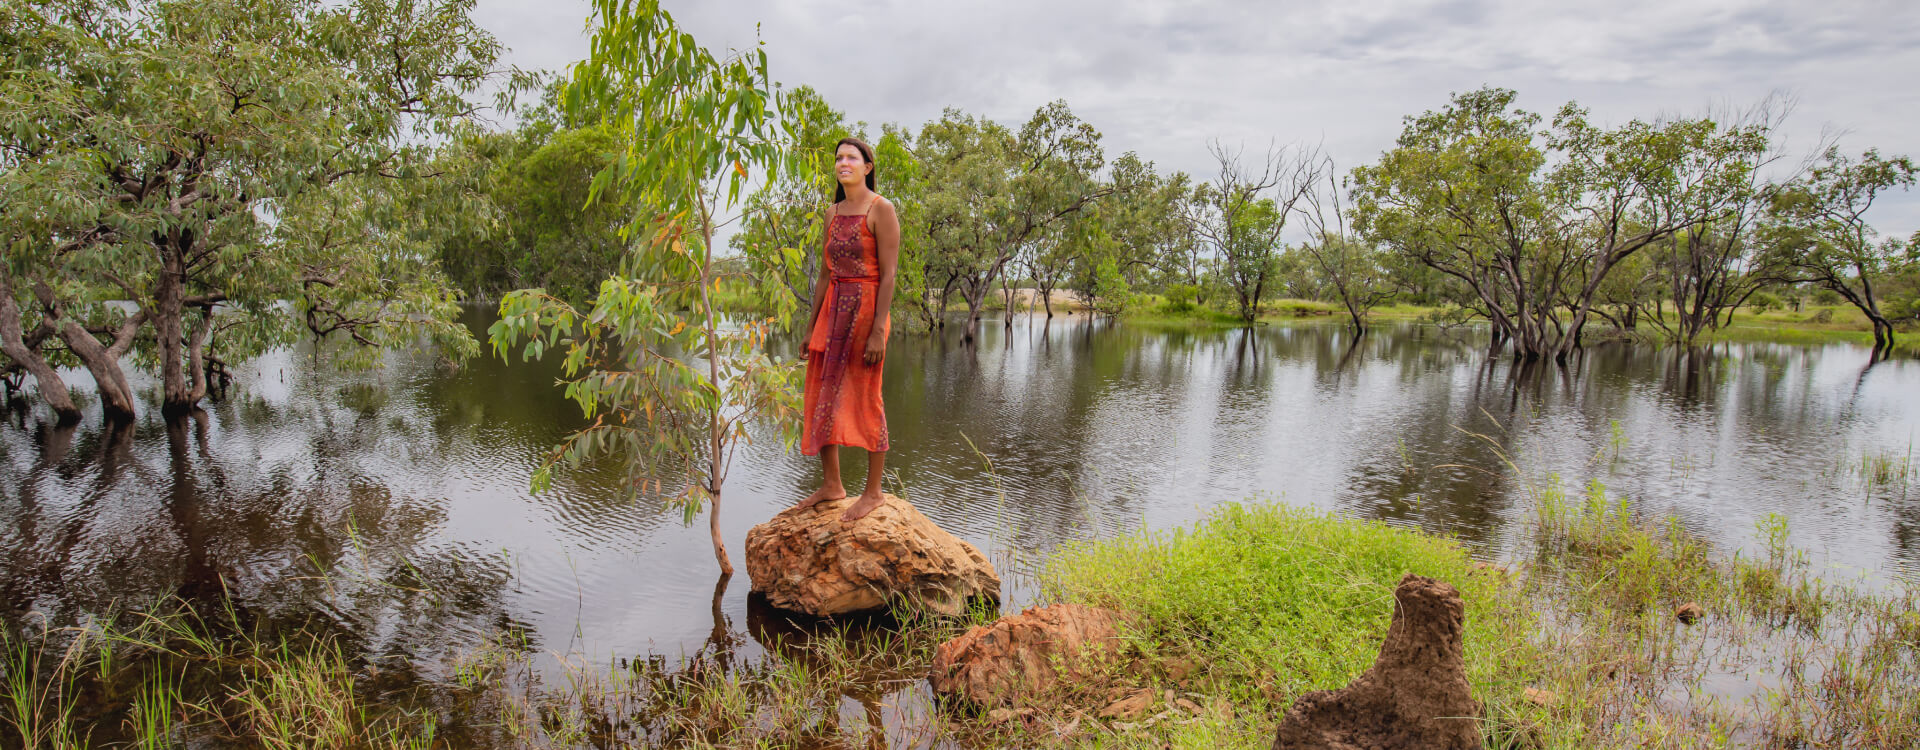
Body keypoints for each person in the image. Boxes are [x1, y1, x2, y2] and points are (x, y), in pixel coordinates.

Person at [795, 137, 899, 522]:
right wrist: (810, 327)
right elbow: (825, 274)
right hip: (833, 311)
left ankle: (873, 493)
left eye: (852, 157)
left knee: (867, 397)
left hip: (867, 310)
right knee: (823, 392)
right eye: (839, 157)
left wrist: (878, 331)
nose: (843, 163)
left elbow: (889, 274)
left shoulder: (880, 208)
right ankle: (832, 485)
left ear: (867, 167)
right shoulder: (832, 213)